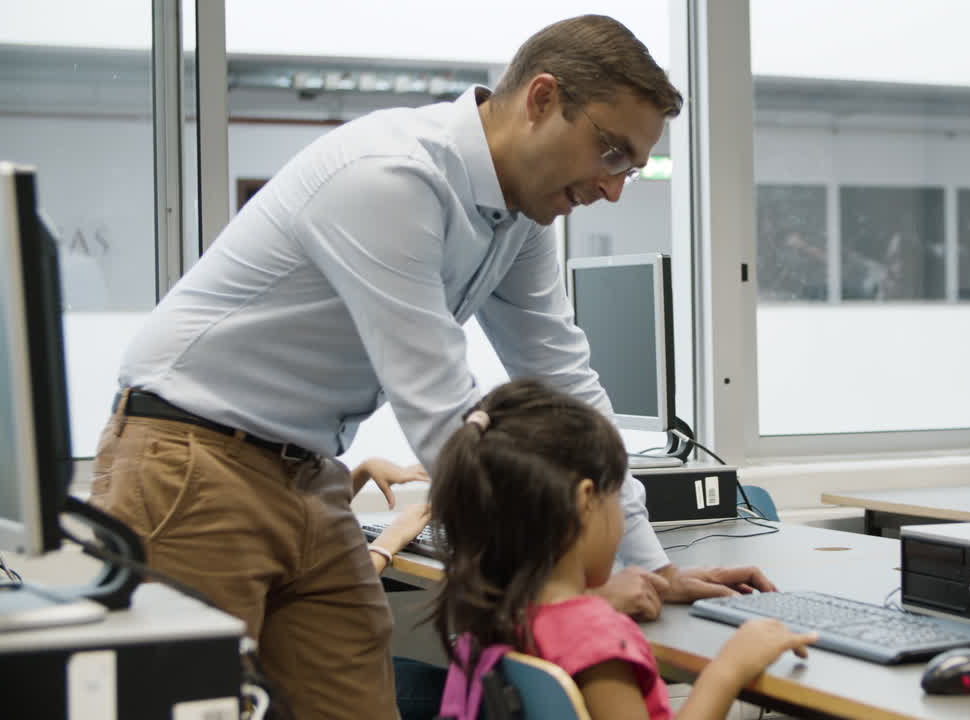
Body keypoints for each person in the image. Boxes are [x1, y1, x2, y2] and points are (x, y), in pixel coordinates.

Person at [88, 13, 773, 720]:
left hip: (307, 469)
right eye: (610, 152)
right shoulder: (391, 180)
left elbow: (566, 384)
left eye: (631, 166)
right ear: (541, 99)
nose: (615, 189)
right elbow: (444, 415)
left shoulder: (521, 219)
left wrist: (651, 564)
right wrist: (563, 596)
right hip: (191, 458)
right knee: (184, 706)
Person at [427, 380, 816, 720]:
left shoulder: (495, 612)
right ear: (585, 502)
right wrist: (730, 668)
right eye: (618, 496)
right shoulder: (595, 638)